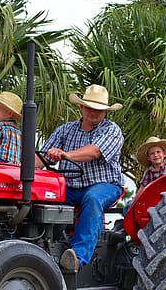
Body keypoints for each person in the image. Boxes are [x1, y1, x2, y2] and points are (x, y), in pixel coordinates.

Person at [36, 84, 124, 272]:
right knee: (40, 197)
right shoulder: (65, 130)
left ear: (105, 112)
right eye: (90, 107)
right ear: (81, 107)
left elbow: (93, 152)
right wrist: (20, 168)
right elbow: (41, 158)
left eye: (98, 109)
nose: (93, 112)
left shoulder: (111, 130)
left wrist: (66, 155)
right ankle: (38, 246)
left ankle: (77, 256)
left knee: (92, 199)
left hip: (104, 184)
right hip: (69, 186)